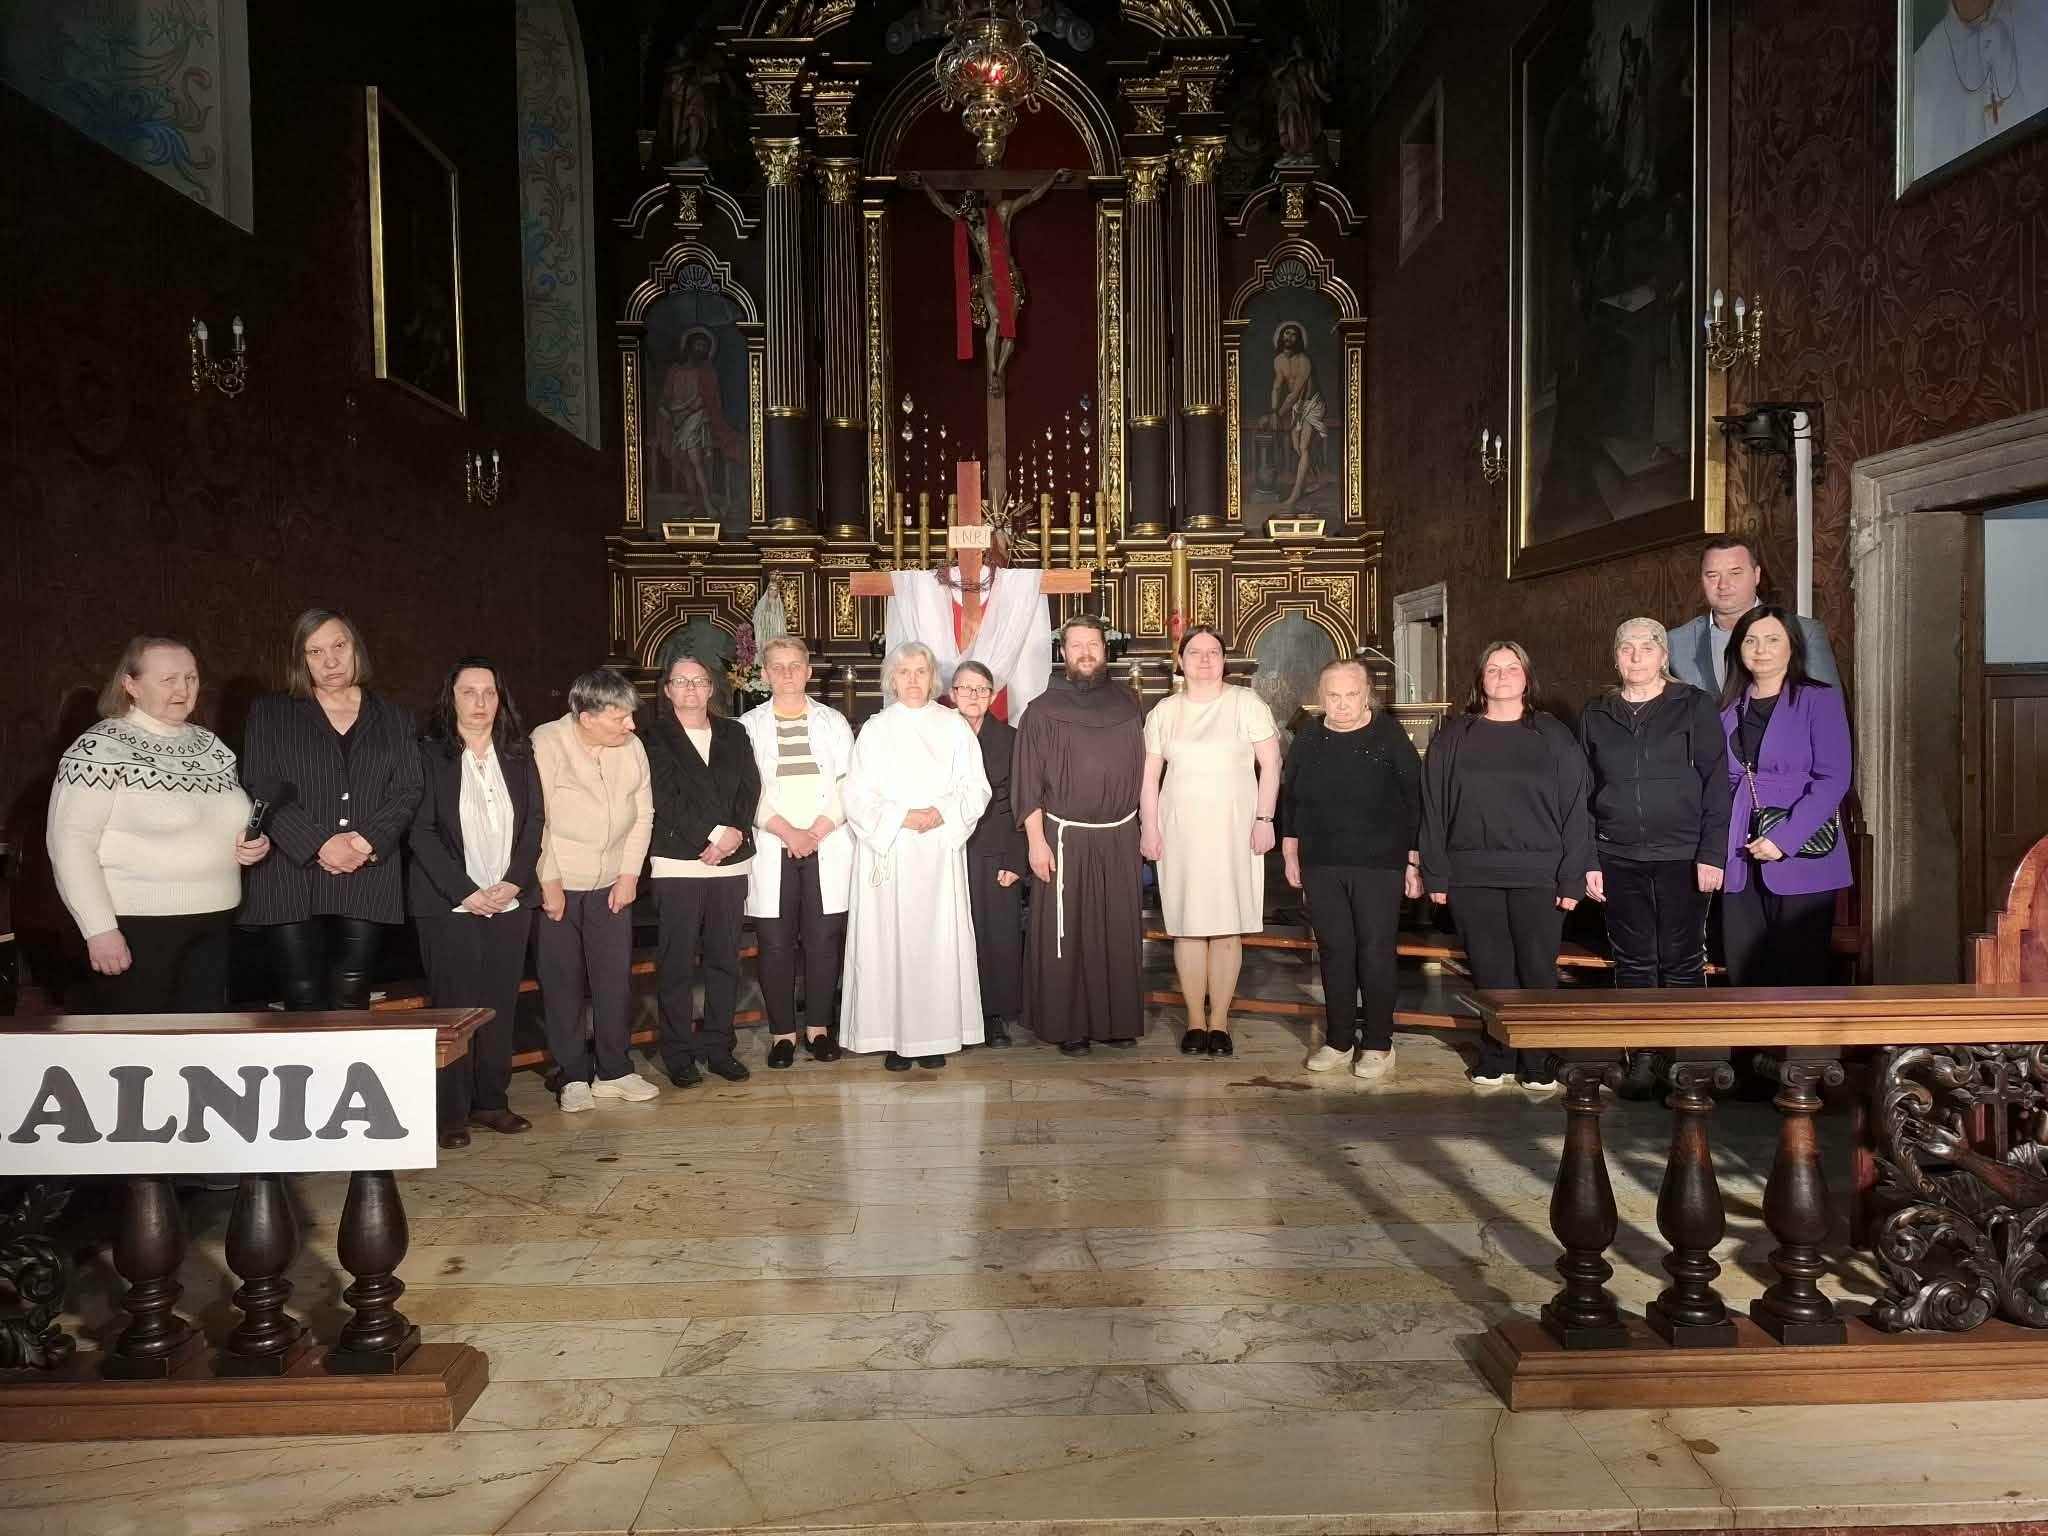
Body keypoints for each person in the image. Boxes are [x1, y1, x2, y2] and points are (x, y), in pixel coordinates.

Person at [47, 635, 270, 1012]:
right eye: (168, 679)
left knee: (203, 1040)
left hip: (215, 921)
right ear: (130, 685)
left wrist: (252, 845)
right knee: (138, 1041)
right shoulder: (97, 748)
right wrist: (99, 929)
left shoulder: (213, 747)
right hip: (136, 926)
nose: (183, 689)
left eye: (191, 678)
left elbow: (224, 822)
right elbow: (69, 844)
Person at [1421, 641, 1593, 1091]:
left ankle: (1537, 1059)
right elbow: (1433, 806)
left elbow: (1576, 809)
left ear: (1526, 677)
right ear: (1480, 679)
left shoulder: (1552, 734)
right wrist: (1435, 871)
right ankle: (1496, 1054)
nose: (1502, 676)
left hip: (1541, 875)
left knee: (1537, 971)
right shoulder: (1455, 735)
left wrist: (1572, 876)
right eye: (1493, 668)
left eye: (1511, 668)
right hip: (1472, 874)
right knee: (1490, 971)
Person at [240, 610, 421, 1010]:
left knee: (352, 997)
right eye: (315, 651)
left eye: (339, 646)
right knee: (301, 998)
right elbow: (262, 784)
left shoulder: (394, 717)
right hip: (290, 871)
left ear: (356, 648)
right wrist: (320, 843)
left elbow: (408, 789)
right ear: (300, 660)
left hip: (367, 868)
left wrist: (364, 842)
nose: (331, 661)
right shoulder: (271, 712)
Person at [408, 658, 543, 1149]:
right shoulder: (428, 755)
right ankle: (451, 1115)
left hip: (509, 902)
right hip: (450, 905)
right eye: (469, 691)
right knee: (455, 1009)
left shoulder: (519, 754)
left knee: (498, 1006)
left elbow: (534, 823)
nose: (480, 702)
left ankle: (492, 1101)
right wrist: (464, 891)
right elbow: (420, 832)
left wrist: (513, 882)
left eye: (489, 692)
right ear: (452, 698)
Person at [841, 642, 992, 1070]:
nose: (912, 679)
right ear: (892, 678)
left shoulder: (953, 726)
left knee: (935, 944)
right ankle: (893, 1037)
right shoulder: (875, 729)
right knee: (891, 944)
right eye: (904, 671)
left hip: (937, 850)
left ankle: (936, 1036)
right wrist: (900, 818)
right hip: (891, 850)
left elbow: (975, 787)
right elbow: (856, 794)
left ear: (932, 679)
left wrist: (939, 812)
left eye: (920, 671)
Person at [1139, 627, 1280, 1059]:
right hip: (1181, 830)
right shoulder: (1164, 711)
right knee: (1188, 926)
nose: (1204, 659)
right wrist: (1149, 828)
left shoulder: (1246, 703)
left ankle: (1219, 1021)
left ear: (1224, 660)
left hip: (1234, 829)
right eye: (1195, 652)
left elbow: (1271, 764)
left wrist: (1265, 819)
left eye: (1213, 652)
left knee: (1225, 927)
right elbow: (1149, 777)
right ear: (1180, 661)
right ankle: (1194, 1022)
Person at [1280, 657, 1422, 1081]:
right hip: (1322, 861)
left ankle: (1379, 1043)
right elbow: (1292, 798)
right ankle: (1339, 1039)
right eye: (1333, 695)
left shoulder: (1388, 736)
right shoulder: (1308, 737)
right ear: (1320, 697)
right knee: (1335, 949)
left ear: (1367, 696)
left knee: (1375, 950)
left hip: (1379, 862)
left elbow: (1415, 800)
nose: (1342, 704)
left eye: (1351, 694)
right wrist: (1290, 851)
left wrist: (1414, 859)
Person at [1012, 614, 1146, 1056]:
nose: (1085, 652)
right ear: (1063, 652)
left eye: (1093, 644)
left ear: (1105, 649)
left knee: (1117, 930)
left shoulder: (1128, 704)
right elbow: (1027, 784)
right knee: (1066, 934)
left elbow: (1145, 771)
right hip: (1063, 837)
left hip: (1120, 834)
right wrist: (1036, 842)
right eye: (1076, 645)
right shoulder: (1041, 711)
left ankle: (1116, 1021)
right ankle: (1067, 1024)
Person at [1579, 617, 1731, 986]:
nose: (1636, 657)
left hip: (1683, 856)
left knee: (1683, 963)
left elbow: (1716, 783)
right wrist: (1589, 860)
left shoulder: (1693, 705)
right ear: (1615, 658)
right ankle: (1640, 1030)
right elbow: (1582, 792)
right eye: (1626, 649)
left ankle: (1683, 1028)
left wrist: (1712, 854)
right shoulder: (1595, 713)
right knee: (1632, 963)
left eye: (1647, 648)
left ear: (1663, 656)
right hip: (1618, 856)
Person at [532, 669, 657, 1112]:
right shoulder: (547, 741)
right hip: (560, 884)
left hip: (612, 884)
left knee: (613, 980)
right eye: (620, 718)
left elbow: (643, 814)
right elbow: (536, 819)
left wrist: (629, 874)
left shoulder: (632, 747)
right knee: (562, 982)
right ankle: (572, 1075)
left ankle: (615, 1070)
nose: (631, 725)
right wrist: (548, 880)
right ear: (587, 718)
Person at [641, 654, 759, 1088]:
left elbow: (749, 788)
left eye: (698, 681)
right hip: (678, 861)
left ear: (711, 688)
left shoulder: (734, 732)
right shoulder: (653, 736)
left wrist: (734, 833)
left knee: (725, 960)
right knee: (676, 963)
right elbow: (664, 797)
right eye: (681, 681)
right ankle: (678, 1053)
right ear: (667, 690)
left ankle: (719, 1048)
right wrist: (713, 834)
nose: (690, 688)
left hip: (730, 862)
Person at [1719, 605, 1853, 987]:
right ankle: (1751, 1033)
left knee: (1799, 979)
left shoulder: (1818, 700)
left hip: (1803, 853)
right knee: (1744, 974)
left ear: (1792, 646)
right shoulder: (1727, 710)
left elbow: (1834, 779)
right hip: (1740, 856)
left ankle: (1802, 1035)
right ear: (1738, 649)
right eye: (1750, 640)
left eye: (1772, 639)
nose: (1760, 649)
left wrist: (1783, 839)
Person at [740, 636, 853, 1069]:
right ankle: (782, 1035)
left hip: (827, 842)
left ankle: (818, 1030)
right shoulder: (747, 726)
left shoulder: (833, 722)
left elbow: (849, 785)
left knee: (824, 941)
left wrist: (816, 831)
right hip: (773, 844)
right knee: (775, 943)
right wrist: (788, 832)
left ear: (808, 671)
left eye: (794, 665)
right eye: (777, 666)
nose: (787, 673)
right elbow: (745, 790)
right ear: (764, 674)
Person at [953, 659, 1026, 1045]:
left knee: (996, 934)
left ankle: (993, 1014)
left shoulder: (1012, 740)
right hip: (947, 850)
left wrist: (1017, 858)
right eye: (965, 688)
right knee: (950, 935)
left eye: (981, 689)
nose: (973, 695)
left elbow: (1024, 803)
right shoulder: (938, 735)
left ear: (992, 695)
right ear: (952, 694)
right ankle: (951, 1013)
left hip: (997, 850)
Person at [1668, 534, 1840, 695]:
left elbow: (1829, 710)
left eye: (1735, 573)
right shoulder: (1676, 642)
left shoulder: (1806, 633)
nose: (1723, 585)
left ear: (1756, 575)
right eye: (1712, 576)